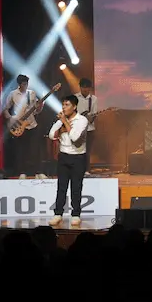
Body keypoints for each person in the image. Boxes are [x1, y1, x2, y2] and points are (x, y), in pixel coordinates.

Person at [48, 95, 89, 227]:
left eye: (67, 105)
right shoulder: (60, 121)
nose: (64, 108)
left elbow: (75, 137)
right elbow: (51, 135)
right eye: (63, 105)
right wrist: (61, 128)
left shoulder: (82, 120)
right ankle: (58, 214)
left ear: (74, 106)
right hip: (63, 156)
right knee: (61, 187)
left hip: (78, 157)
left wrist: (65, 122)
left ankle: (76, 214)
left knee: (76, 187)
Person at [3, 74, 45, 179]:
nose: (25, 86)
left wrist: (40, 106)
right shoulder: (13, 94)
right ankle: (22, 172)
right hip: (19, 125)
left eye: (26, 84)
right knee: (21, 150)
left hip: (32, 124)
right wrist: (11, 119)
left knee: (36, 149)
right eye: (23, 84)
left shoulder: (32, 93)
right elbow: (5, 109)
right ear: (19, 84)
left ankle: (38, 172)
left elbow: (36, 111)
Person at [75, 78, 98, 176]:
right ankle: (76, 169)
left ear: (90, 88)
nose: (85, 89)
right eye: (83, 87)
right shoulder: (74, 97)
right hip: (77, 129)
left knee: (87, 151)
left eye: (87, 87)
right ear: (80, 87)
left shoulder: (93, 99)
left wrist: (89, 118)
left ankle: (86, 170)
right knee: (77, 150)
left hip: (89, 129)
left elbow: (94, 114)